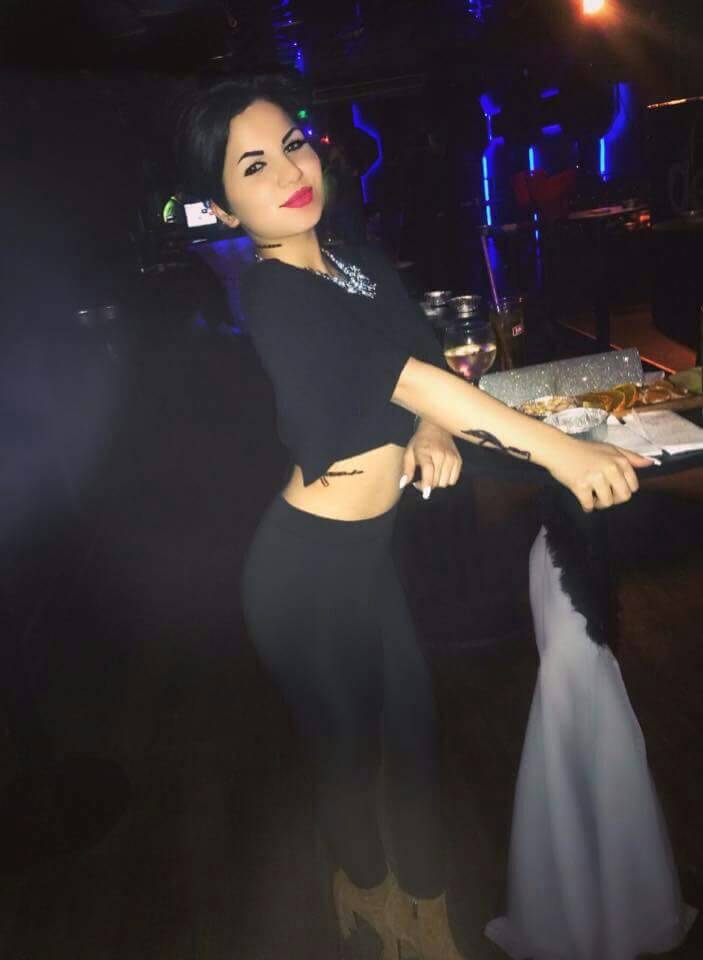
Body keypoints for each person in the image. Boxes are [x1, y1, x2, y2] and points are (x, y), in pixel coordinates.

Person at [176, 74, 651, 960]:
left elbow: (418, 357)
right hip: (304, 573)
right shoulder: (274, 293)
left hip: (366, 557)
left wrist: (430, 430)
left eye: (292, 144)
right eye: (254, 164)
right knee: (348, 753)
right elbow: (407, 377)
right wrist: (558, 451)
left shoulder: (352, 258)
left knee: (414, 733)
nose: (288, 169)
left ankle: (423, 911)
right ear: (226, 206)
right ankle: (365, 899)